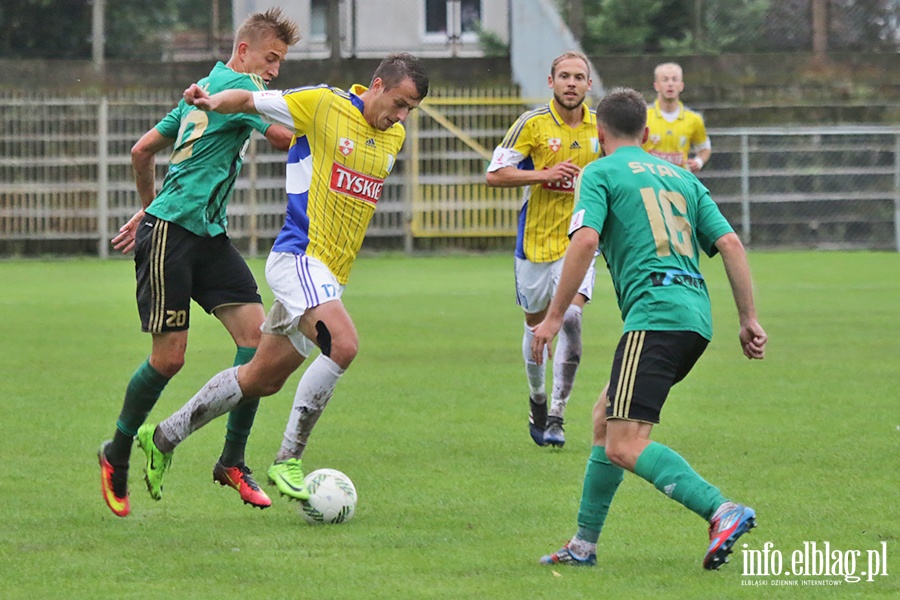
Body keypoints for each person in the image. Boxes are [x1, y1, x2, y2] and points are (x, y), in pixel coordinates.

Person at [132, 53, 429, 504]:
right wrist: (212, 102)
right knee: (343, 344)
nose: (402, 116)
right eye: (400, 103)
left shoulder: (394, 137)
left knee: (260, 379)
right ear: (377, 84)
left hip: (331, 274)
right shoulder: (323, 104)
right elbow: (250, 100)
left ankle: (163, 437)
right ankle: (288, 458)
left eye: (411, 110)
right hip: (299, 258)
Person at [531, 87, 767, 570]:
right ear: (645, 132)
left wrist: (554, 316)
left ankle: (721, 509)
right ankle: (583, 544)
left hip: (655, 317)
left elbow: (586, 240)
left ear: (599, 133)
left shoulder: (598, 171)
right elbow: (731, 244)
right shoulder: (682, 178)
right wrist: (748, 320)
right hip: (694, 321)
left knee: (623, 443)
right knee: (604, 419)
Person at [97, 8, 301, 518]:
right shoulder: (238, 85)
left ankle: (231, 462)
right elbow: (281, 136)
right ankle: (116, 454)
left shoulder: (210, 86)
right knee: (170, 359)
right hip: (170, 235)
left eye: (279, 62)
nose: (274, 71)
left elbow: (142, 151)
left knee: (256, 345)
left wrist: (145, 202)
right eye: (271, 59)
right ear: (245, 51)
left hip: (208, 236)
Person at [485, 51, 602, 448]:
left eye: (579, 77)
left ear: (588, 84)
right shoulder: (532, 124)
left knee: (570, 318)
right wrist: (544, 174)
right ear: (551, 82)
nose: (572, 83)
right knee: (536, 328)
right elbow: (495, 174)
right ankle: (537, 399)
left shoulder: (600, 128)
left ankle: (557, 416)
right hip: (534, 243)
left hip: (580, 240)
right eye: (564, 76)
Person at [642, 62, 711, 173]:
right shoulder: (643, 115)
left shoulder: (694, 119)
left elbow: (704, 148)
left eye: (674, 80)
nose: (670, 84)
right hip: (649, 180)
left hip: (678, 182)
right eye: (665, 80)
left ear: (681, 86)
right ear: (656, 86)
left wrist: (698, 161)